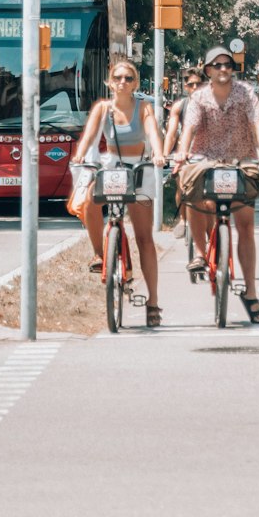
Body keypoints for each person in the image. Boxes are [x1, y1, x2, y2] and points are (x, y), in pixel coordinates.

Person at [172, 46, 259, 324]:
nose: (223, 69)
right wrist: (182, 154)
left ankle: (251, 292)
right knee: (190, 190)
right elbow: (189, 130)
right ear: (207, 70)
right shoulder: (199, 98)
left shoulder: (246, 94)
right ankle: (203, 255)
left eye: (227, 64)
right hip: (205, 159)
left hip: (241, 159)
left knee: (246, 225)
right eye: (216, 65)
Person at [72, 56, 166, 327]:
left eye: (128, 78)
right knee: (90, 202)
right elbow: (88, 137)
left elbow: (153, 133)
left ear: (136, 83)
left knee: (144, 237)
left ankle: (153, 301)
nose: (123, 82)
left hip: (139, 168)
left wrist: (158, 154)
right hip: (112, 165)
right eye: (118, 78)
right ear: (109, 82)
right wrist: (79, 156)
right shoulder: (103, 109)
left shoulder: (143, 107)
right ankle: (100, 254)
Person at [162, 68, 206, 272]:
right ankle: (184, 219)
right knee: (182, 188)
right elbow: (171, 133)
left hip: (210, 156)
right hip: (186, 155)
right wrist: (164, 154)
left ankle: (215, 240)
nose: (195, 88)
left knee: (211, 200)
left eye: (199, 84)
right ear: (185, 86)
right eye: (191, 84)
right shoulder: (180, 106)